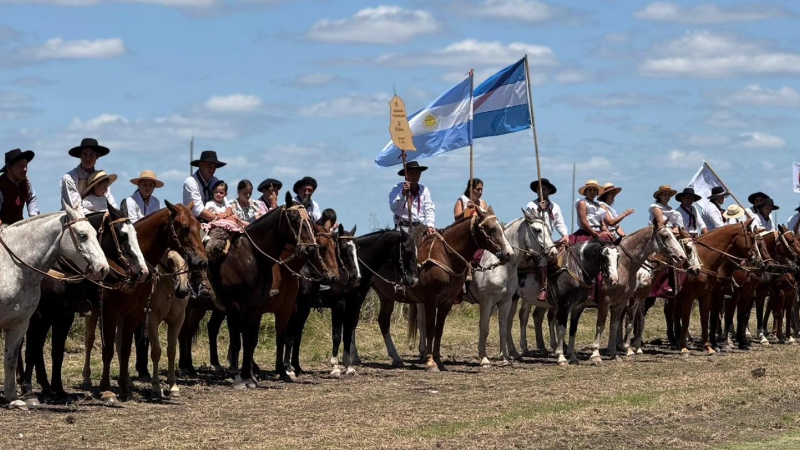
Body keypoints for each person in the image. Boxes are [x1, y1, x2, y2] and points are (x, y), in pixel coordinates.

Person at [525, 178, 568, 301]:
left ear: (549, 191)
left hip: (549, 239)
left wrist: (565, 235)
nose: (540, 191)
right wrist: (539, 209)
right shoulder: (531, 204)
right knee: (543, 256)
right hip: (535, 239)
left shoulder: (555, 207)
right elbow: (529, 220)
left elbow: (559, 223)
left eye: (543, 189)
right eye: (538, 189)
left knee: (566, 252)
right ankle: (543, 288)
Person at [61, 138, 115, 210]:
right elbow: (76, 207)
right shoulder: (69, 178)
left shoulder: (102, 179)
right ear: (80, 155)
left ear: (97, 156)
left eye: (91, 154)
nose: (88, 158)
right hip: (72, 218)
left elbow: (110, 203)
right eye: (85, 154)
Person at [389, 161, 435, 234]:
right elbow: (393, 207)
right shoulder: (397, 188)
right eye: (411, 173)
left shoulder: (424, 190)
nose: (414, 176)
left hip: (421, 227)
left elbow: (429, 209)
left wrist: (430, 225)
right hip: (403, 228)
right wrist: (403, 193)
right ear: (406, 175)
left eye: (416, 173)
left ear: (420, 175)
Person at [183, 150, 225, 223]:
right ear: (200, 165)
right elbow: (198, 210)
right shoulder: (191, 181)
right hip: (193, 222)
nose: (212, 169)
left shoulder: (215, 181)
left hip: (213, 220)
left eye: (214, 166)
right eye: (209, 165)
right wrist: (220, 220)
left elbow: (224, 202)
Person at [0, 148, 39, 225]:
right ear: (9, 168)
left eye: (26, 165)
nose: (25, 169)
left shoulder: (26, 180)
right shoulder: (1, 184)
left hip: (18, 225)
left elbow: (31, 197)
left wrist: (34, 217)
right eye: (21, 166)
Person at [572, 180, 613, 244]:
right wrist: (596, 234)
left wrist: (607, 231)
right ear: (586, 192)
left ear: (597, 193)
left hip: (599, 231)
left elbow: (601, 223)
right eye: (590, 190)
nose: (592, 192)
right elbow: (584, 223)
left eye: (594, 190)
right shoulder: (582, 203)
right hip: (586, 232)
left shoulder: (598, 205)